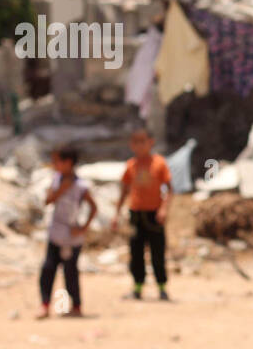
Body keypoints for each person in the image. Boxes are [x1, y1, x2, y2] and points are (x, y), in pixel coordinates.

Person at [111, 126, 173, 300]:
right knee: (136, 252)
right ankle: (137, 288)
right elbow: (124, 191)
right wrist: (116, 214)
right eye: (135, 142)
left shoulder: (159, 163)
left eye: (142, 141)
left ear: (150, 142)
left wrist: (163, 209)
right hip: (136, 214)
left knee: (157, 252)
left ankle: (162, 287)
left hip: (154, 214)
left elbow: (169, 189)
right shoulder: (131, 165)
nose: (139, 145)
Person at [37, 146, 97, 319]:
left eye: (57, 161)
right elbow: (47, 201)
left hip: (72, 235)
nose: (54, 165)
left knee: (70, 272)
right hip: (56, 232)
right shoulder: (56, 180)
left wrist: (83, 228)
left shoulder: (81, 186)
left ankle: (76, 305)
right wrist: (61, 189)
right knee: (48, 269)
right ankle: (45, 304)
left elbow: (93, 208)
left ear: (68, 162)